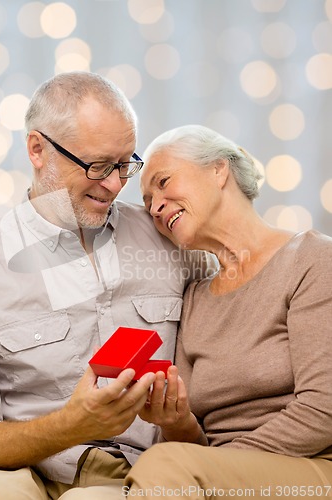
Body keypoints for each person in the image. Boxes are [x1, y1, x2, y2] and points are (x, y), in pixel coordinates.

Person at [0, 75, 215, 499]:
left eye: (124, 165)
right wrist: (70, 426)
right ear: (37, 149)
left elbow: (241, 294)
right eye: (97, 166)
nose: (114, 185)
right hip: (24, 472)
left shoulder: (171, 242)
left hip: (142, 473)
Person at [117, 124, 332, 499]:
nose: (154, 206)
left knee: (162, 464)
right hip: (220, 475)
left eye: (163, 182)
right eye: (149, 200)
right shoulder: (195, 299)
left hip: (311, 466)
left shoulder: (312, 260)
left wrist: (211, 465)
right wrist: (180, 425)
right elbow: (196, 446)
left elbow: (324, 409)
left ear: (219, 170)